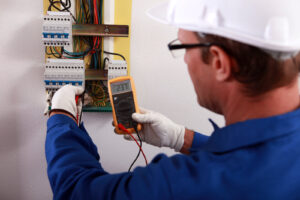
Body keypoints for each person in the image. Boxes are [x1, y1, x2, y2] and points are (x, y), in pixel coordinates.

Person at [46, 0, 300, 199]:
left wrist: (61, 117)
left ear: (220, 62)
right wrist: (183, 138)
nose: (186, 61)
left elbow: (75, 192)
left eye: (182, 47)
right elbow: (255, 156)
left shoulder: (185, 186)